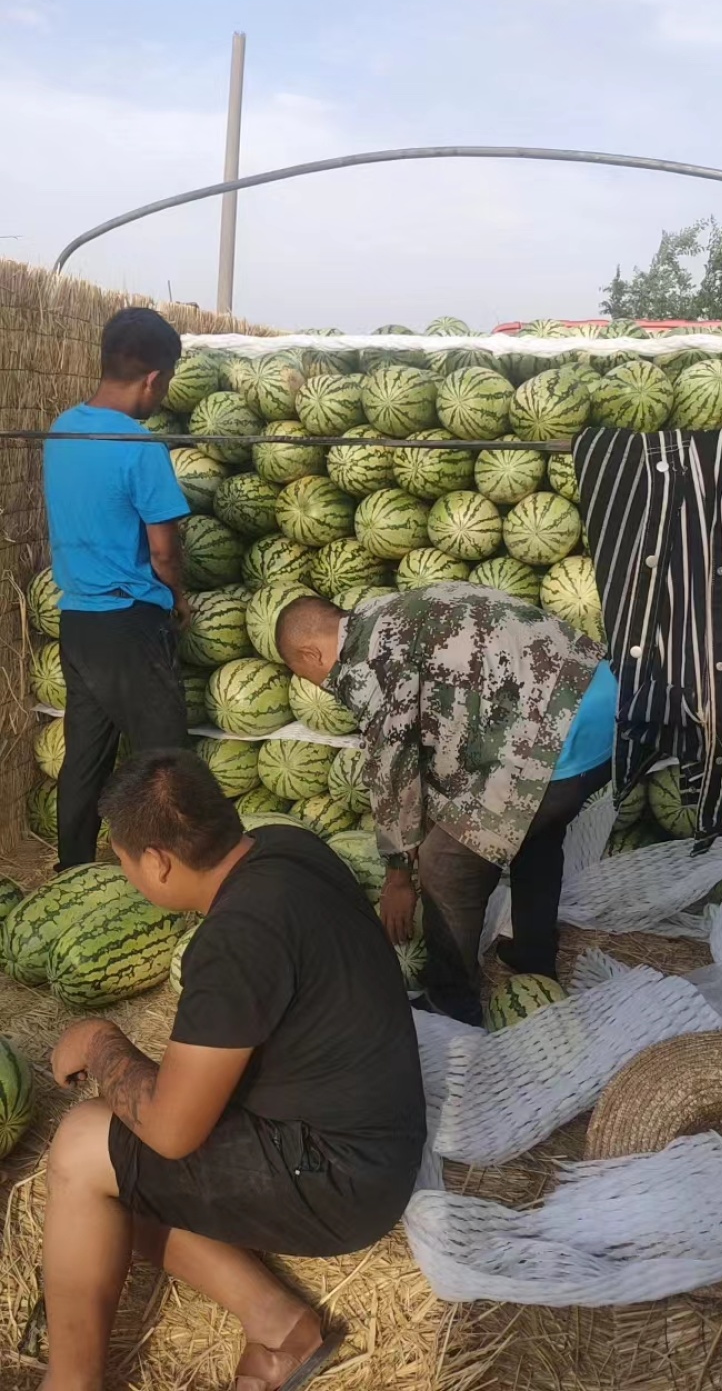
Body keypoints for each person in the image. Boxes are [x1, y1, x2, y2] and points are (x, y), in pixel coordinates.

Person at [44, 750, 426, 1391]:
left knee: (83, 1149)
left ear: (160, 863)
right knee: (116, 1174)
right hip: (374, 1138)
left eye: (125, 860)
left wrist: (102, 1042)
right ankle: (277, 1323)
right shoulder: (287, 848)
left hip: (341, 1179)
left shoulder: (236, 940)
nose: (127, 875)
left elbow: (170, 1132)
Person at [276, 584, 617, 1027]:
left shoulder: (364, 664)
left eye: (310, 680)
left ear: (311, 656)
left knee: (444, 865)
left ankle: (451, 1003)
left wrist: (399, 874)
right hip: (605, 700)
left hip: (554, 733)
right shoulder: (388, 610)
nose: (323, 689)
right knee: (534, 831)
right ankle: (533, 956)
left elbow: (392, 762)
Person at [43, 307, 191, 872]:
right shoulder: (139, 447)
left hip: (77, 618)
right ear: (154, 378)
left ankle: (72, 869)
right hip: (128, 622)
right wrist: (178, 597)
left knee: (86, 756)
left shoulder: (61, 428)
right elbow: (164, 551)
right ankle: (170, 877)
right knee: (166, 761)